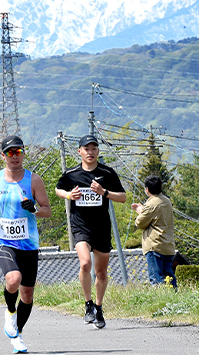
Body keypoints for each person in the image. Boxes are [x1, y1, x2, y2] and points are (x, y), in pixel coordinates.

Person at [0, 136, 51, 353]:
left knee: (27, 293)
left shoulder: (34, 180)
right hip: (4, 240)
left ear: (23, 153)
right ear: (3, 156)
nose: (14, 156)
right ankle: (10, 311)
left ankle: (17, 334)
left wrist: (34, 209)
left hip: (28, 243)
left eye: (18, 152)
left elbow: (47, 210)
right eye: (10, 153)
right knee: (13, 279)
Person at [55, 134, 126, 330]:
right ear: (79, 151)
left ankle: (99, 307)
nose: (90, 152)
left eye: (94, 148)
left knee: (101, 272)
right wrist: (69, 195)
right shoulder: (72, 174)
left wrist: (104, 192)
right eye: (86, 149)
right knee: (85, 263)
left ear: (97, 151)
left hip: (102, 227)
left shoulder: (107, 173)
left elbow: (123, 197)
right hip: (80, 226)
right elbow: (57, 189)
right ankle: (88, 305)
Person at [132, 175, 177, 288]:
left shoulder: (152, 204)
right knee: (169, 277)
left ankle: (160, 300)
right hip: (167, 245)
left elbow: (140, 223)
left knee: (156, 279)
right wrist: (144, 211)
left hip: (155, 245)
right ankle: (174, 297)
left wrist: (139, 211)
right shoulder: (166, 201)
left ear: (147, 189)